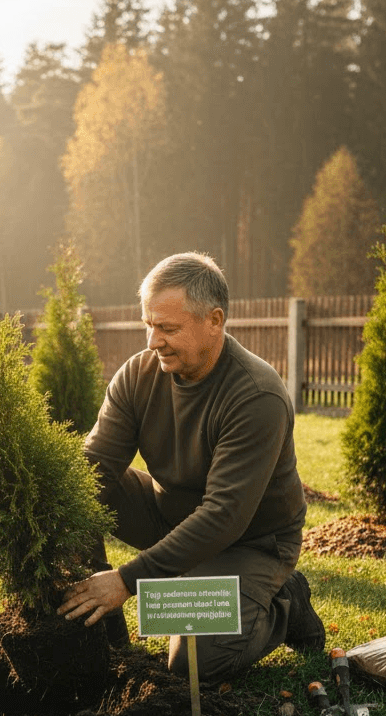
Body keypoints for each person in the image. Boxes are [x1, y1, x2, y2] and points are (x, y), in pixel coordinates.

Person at [57, 251, 324, 684]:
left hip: (249, 543)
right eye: (149, 325)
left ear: (214, 321)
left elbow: (224, 516)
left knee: (194, 663)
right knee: (81, 490)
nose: (152, 341)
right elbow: (95, 465)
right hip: (169, 514)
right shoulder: (139, 375)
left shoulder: (256, 396)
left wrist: (127, 580)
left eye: (168, 328)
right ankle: (108, 644)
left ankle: (284, 604)